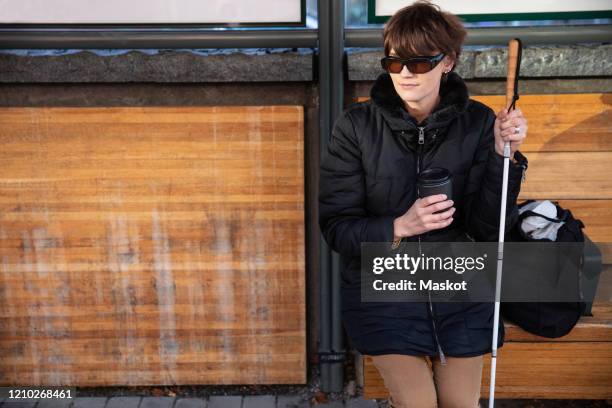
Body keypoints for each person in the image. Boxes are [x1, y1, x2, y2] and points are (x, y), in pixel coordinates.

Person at [318, 1, 529, 407]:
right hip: (384, 288)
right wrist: (399, 226)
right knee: (418, 403)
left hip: (458, 286)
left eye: (418, 64)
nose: (404, 75)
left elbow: (490, 228)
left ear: (447, 61)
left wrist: (505, 156)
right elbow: (337, 226)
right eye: (394, 63)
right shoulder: (356, 127)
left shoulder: (479, 123)